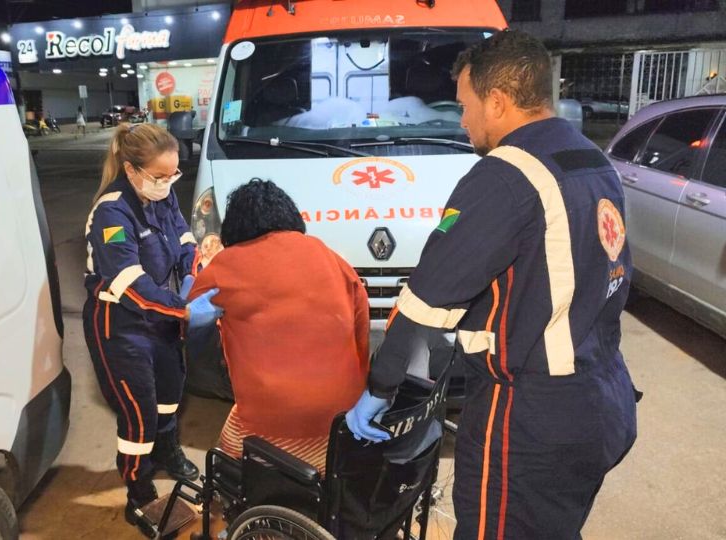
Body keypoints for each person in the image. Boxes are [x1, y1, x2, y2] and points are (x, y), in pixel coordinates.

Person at [346, 30, 638, 539]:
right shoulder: (590, 158)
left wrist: (381, 386)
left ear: (498, 102)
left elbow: (427, 301)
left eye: (465, 105)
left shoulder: (506, 175)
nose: (462, 120)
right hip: (602, 396)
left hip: (530, 418)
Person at [82, 123, 223, 524]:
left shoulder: (162, 195)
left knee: (171, 392)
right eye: (160, 176)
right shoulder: (111, 212)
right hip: (121, 324)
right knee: (138, 411)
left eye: (173, 174)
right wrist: (185, 311)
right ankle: (139, 492)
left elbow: (184, 240)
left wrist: (193, 274)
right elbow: (131, 285)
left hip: (160, 314)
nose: (167, 183)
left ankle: (166, 450)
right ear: (131, 170)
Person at [188, 179, 369, 473]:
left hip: (273, 423)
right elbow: (361, 333)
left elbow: (185, 319)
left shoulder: (226, 265)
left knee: (225, 454)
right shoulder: (331, 257)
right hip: (346, 419)